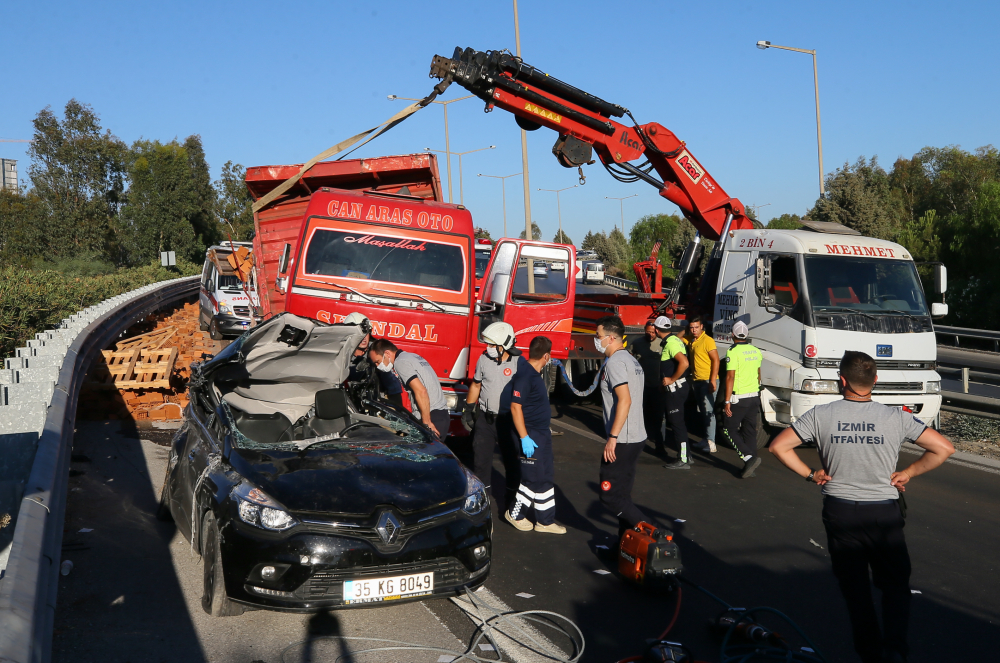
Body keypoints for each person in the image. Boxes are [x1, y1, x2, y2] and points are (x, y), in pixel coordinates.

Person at [769, 351, 954, 663]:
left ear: (842, 380)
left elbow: (778, 446)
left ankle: (870, 654)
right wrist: (908, 472)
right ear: (875, 381)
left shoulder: (821, 415)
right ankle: (894, 649)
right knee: (895, 586)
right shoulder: (895, 417)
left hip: (841, 511)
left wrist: (811, 474)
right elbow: (943, 447)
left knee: (856, 591)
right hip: (884, 514)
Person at [594, 315, 649, 543]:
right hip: (636, 436)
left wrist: (612, 438)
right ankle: (624, 545)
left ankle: (649, 531)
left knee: (610, 496)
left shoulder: (616, 362)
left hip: (623, 438)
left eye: (598, 336)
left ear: (611, 337)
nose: (596, 340)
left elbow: (624, 400)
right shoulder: (631, 360)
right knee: (623, 495)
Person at [504, 336, 566, 534]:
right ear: (546, 356)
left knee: (545, 476)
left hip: (541, 433)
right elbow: (515, 407)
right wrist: (524, 437)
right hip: (530, 434)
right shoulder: (525, 376)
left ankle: (545, 521)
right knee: (532, 478)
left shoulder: (533, 373)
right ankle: (515, 514)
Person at [462, 322, 523, 512]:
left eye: (491, 344)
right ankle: (482, 504)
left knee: (512, 465)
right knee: (480, 463)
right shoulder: (484, 359)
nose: (487, 348)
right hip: (485, 420)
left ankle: (511, 504)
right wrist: (468, 409)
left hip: (508, 422)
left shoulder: (519, 364)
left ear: (503, 345)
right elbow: (476, 385)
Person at [368, 339, 449, 440]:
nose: (377, 366)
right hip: (441, 414)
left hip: (432, 416)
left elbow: (421, 391)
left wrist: (427, 422)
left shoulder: (400, 362)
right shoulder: (412, 356)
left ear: (387, 353)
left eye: (377, 362)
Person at [721, 321, 764, 478]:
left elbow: (730, 376)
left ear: (732, 335)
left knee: (729, 429)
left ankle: (748, 458)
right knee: (749, 431)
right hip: (754, 396)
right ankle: (750, 466)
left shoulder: (732, 352)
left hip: (740, 398)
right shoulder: (756, 351)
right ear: (746, 335)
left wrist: (727, 401)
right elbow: (759, 374)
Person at [654, 316, 692, 470]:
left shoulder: (671, 343)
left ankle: (683, 459)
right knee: (679, 423)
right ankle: (687, 455)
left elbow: (684, 362)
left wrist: (671, 379)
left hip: (676, 388)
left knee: (677, 424)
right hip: (679, 387)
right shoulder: (675, 340)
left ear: (656, 330)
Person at [343, 312, 404, 408]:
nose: (363, 337)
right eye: (359, 333)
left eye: (366, 332)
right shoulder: (343, 352)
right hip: (352, 401)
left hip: (382, 399)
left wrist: (396, 407)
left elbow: (390, 381)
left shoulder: (376, 350)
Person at [630, 321, 666, 456]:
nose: (650, 334)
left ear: (657, 331)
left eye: (653, 332)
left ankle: (660, 446)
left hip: (658, 387)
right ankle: (636, 445)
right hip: (642, 387)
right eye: (648, 331)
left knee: (658, 418)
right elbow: (629, 356)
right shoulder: (637, 343)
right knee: (639, 416)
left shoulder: (663, 343)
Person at [687, 315, 720, 453]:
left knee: (709, 412)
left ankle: (711, 443)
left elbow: (716, 360)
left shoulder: (708, 340)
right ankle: (706, 439)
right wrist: (686, 329)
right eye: (691, 328)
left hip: (707, 380)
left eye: (696, 327)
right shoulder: (692, 340)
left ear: (702, 327)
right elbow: (678, 336)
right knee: (702, 411)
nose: (694, 330)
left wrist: (712, 380)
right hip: (697, 380)